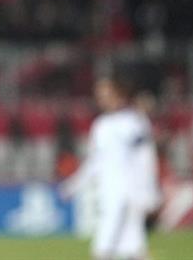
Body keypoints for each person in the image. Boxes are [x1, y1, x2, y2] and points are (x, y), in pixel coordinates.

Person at [60, 75, 160, 260]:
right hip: (110, 188)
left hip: (133, 187)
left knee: (125, 240)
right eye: (100, 96)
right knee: (118, 239)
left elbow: (145, 158)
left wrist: (149, 189)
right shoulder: (101, 125)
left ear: (120, 96)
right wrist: (74, 184)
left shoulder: (135, 122)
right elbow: (94, 161)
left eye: (107, 95)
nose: (103, 100)